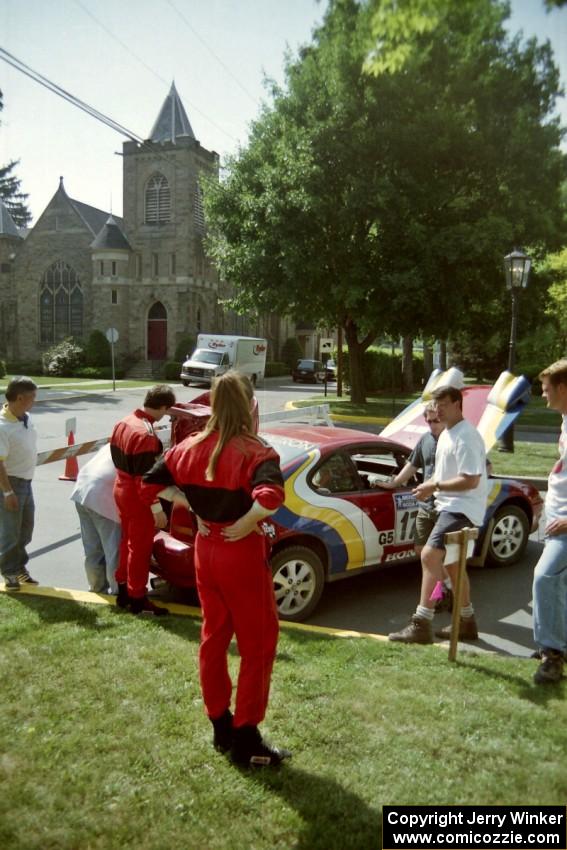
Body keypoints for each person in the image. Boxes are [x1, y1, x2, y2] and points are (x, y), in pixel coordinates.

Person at [143, 371, 291, 767]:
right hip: (238, 552)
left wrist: (188, 505)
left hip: (205, 550)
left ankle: (219, 724)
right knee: (258, 644)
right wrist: (244, 523)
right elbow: (271, 496)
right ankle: (246, 735)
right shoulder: (255, 450)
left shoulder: (187, 445)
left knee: (213, 638)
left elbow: (149, 482)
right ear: (249, 406)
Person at [389, 385, 487, 644]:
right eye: (435, 405)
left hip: (462, 508)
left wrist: (435, 485)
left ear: (457, 404)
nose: (438, 410)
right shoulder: (448, 434)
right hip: (449, 505)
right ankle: (466, 622)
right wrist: (428, 487)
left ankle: (422, 622)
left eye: (443, 405)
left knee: (429, 555)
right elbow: (444, 473)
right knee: (453, 567)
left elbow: (471, 480)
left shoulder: (466, 436)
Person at [110, 384, 176, 616]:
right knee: (140, 548)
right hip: (137, 497)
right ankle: (138, 598)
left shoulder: (125, 421)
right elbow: (144, 480)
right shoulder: (146, 434)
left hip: (120, 488)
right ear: (163, 407)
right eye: (167, 411)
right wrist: (157, 508)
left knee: (126, 541)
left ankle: (123, 589)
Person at [532, 359, 567, 685]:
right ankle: (555, 642)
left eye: (546, 390)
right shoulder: (565, 421)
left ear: (562, 388)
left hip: (565, 524)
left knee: (545, 578)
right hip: (556, 517)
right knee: (558, 586)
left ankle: (552, 654)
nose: (543, 396)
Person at [376, 402, 445, 559]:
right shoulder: (425, 439)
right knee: (420, 549)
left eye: (436, 421)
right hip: (426, 506)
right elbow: (413, 465)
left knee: (439, 552)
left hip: (445, 507)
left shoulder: (454, 439)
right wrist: (394, 483)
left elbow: (483, 468)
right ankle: (437, 579)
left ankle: (443, 582)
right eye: (429, 421)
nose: (433, 425)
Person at [0, 377, 39, 590]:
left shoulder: (25, 417)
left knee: (26, 530)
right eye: (32, 397)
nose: (35, 401)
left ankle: (19, 567)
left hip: (27, 482)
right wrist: (7, 493)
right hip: (10, 484)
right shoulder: (2, 426)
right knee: (10, 532)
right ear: (20, 397)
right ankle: (10, 573)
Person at [70, 444, 121, 595]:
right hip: (101, 497)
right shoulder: (138, 450)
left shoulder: (111, 445)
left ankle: (96, 588)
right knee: (113, 550)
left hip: (82, 491)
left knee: (92, 549)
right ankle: (118, 591)